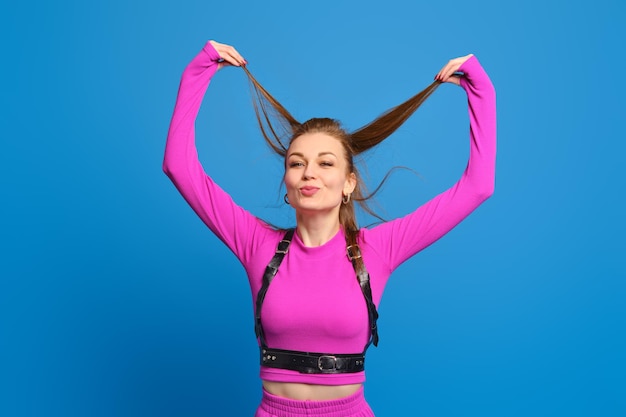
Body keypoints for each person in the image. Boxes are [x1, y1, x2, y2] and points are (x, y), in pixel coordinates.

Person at [163, 39, 496, 417]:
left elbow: (478, 186)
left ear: (348, 183)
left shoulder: (378, 250)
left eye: (325, 163)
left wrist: (481, 90)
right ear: (286, 181)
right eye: (296, 163)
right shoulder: (256, 243)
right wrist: (199, 70)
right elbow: (179, 165)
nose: (309, 173)